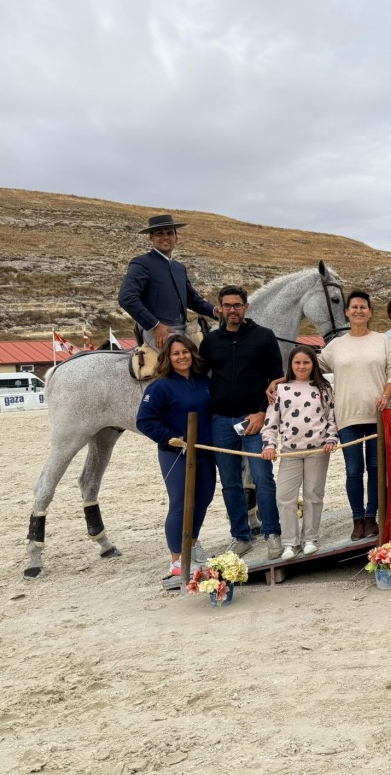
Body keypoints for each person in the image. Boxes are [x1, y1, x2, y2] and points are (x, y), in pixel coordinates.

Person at [198, 285, 284, 560]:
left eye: (237, 305)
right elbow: (200, 378)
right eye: (227, 305)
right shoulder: (210, 341)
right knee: (230, 482)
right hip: (221, 421)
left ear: (246, 307)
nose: (232, 310)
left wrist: (261, 413)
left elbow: (277, 380)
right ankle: (241, 535)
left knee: (263, 478)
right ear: (220, 308)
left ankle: (272, 532)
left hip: (254, 420)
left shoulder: (264, 337)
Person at [316, 291, 391, 540]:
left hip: (377, 415)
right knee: (353, 469)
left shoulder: (382, 340)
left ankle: (371, 517)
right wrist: (282, 378)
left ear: (370, 312)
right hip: (347, 417)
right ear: (347, 312)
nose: (358, 311)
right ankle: (357, 519)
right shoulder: (336, 346)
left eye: (363, 307)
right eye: (354, 307)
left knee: (376, 468)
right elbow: (313, 367)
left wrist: (386, 394)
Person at [136, 335, 215, 582]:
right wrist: (170, 437)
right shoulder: (159, 386)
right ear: (168, 358)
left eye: (185, 352)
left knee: (203, 499)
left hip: (205, 450)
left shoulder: (204, 382)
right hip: (176, 453)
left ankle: (192, 544)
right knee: (181, 503)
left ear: (192, 354)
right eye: (176, 353)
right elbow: (145, 420)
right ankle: (177, 559)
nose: (182, 357)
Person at [261, 345, 338, 558]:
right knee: (285, 496)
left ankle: (310, 538)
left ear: (313, 364)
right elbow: (271, 421)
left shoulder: (323, 389)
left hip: (318, 450)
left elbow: (332, 418)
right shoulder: (281, 390)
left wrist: (331, 438)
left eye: (306, 362)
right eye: (297, 363)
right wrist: (269, 444)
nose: (302, 366)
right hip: (290, 451)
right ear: (291, 365)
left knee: (313, 494)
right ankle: (289, 542)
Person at [118, 214, 219, 351]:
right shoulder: (142, 263)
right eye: (160, 233)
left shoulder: (180, 268)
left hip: (184, 326)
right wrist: (155, 325)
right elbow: (126, 298)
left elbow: (192, 299)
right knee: (180, 356)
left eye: (170, 233)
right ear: (151, 237)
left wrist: (215, 311)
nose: (165, 237)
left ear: (176, 238)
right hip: (155, 329)